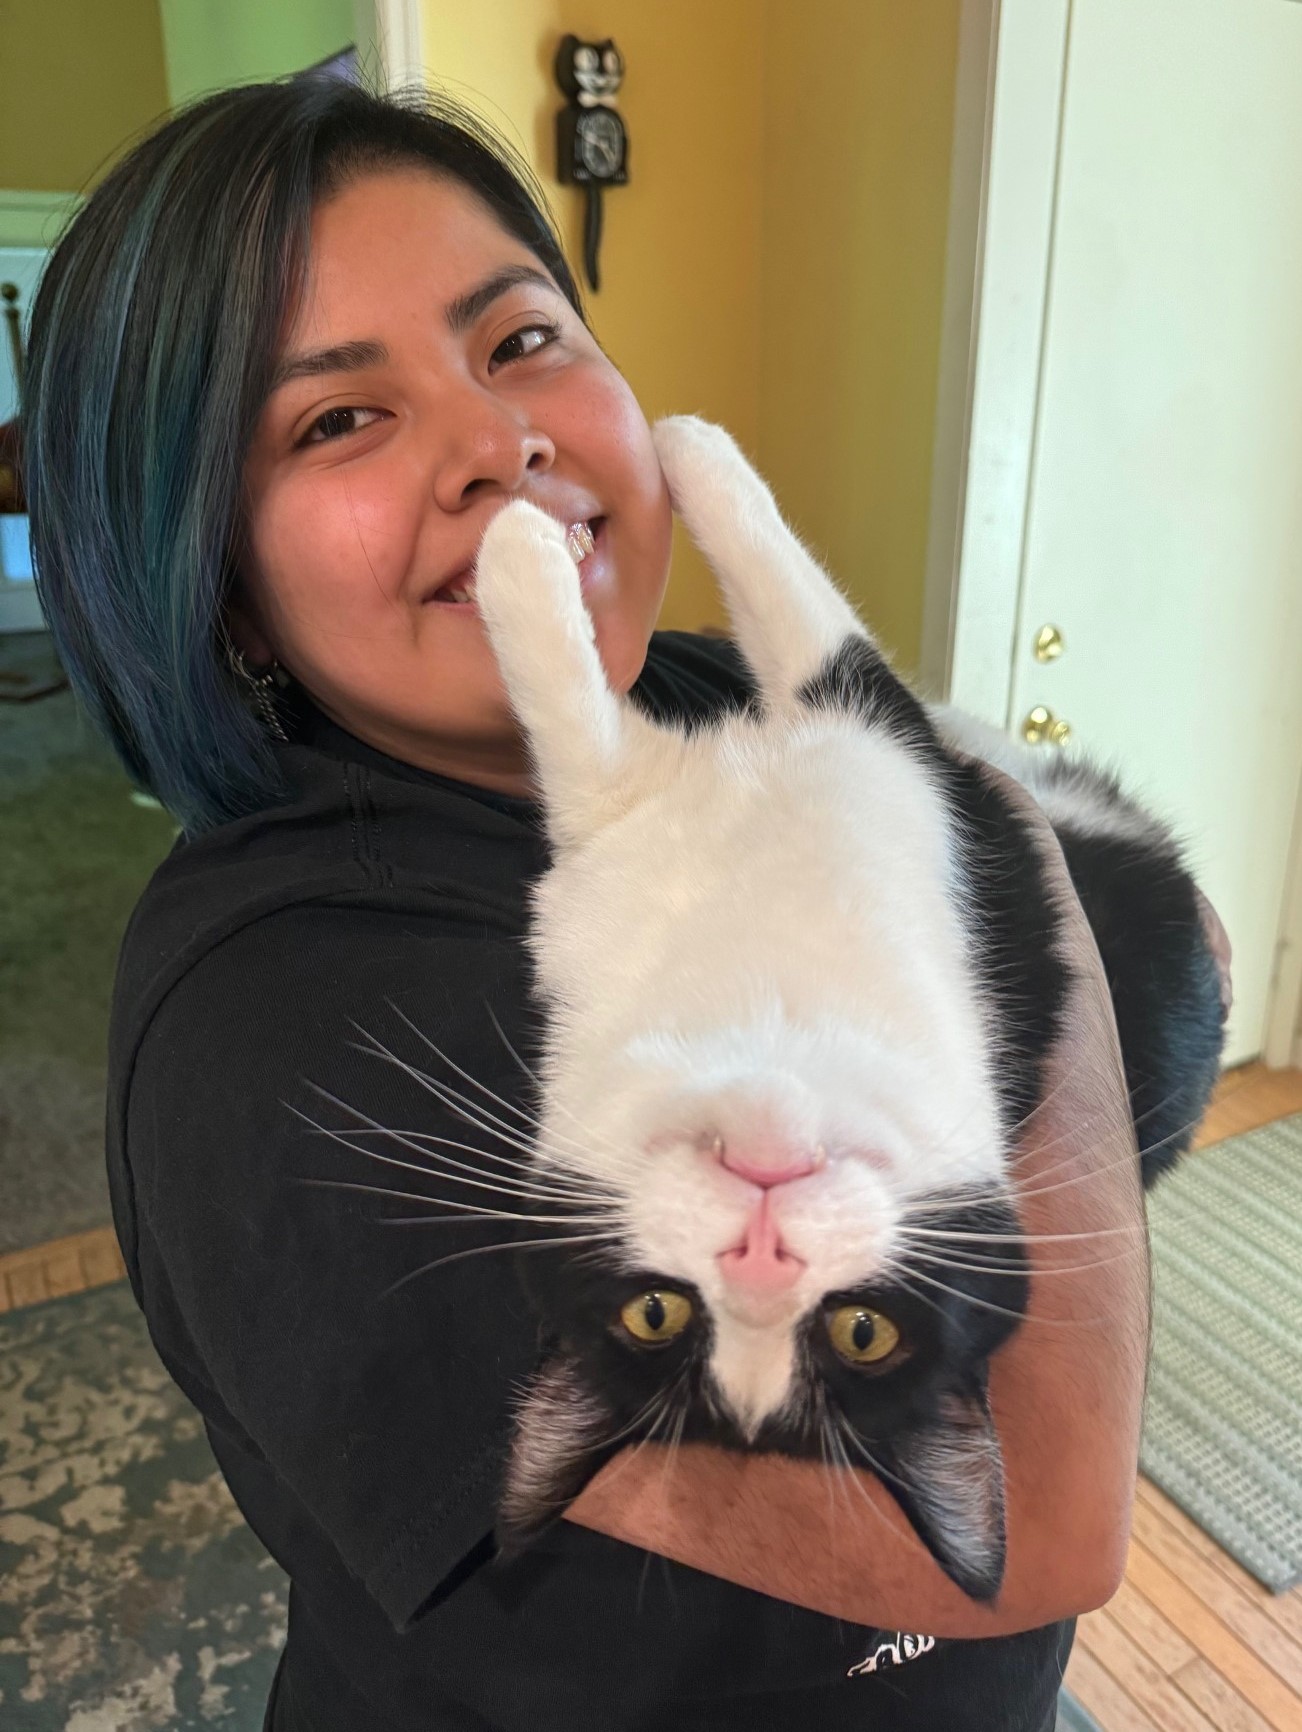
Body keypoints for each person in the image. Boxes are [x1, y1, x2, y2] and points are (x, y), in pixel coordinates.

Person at [24, 78, 1152, 1732]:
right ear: (222, 596)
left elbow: (1173, 950)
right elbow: (1040, 1526)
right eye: (337, 420)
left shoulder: (694, 692)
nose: (498, 443)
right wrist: (986, 857)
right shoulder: (291, 1040)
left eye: (523, 339)